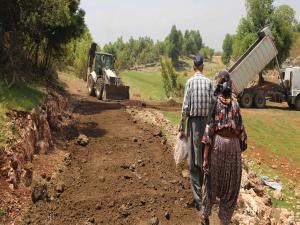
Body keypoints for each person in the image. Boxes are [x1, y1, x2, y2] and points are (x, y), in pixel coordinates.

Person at [201, 70, 247, 225]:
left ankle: (205, 215)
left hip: (218, 146)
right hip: (233, 147)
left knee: (212, 183)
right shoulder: (235, 104)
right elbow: (241, 131)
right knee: (230, 187)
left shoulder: (215, 104)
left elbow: (209, 131)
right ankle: (224, 220)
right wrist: (241, 148)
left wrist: (206, 157)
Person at [178, 54, 214, 212]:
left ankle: (199, 200)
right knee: (205, 159)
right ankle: (207, 195)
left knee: (193, 162)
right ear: (203, 67)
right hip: (207, 124)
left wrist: (181, 127)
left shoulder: (190, 82)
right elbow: (213, 105)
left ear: (194, 67)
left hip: (193, 125)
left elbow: (185, 107)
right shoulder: (209, 83)